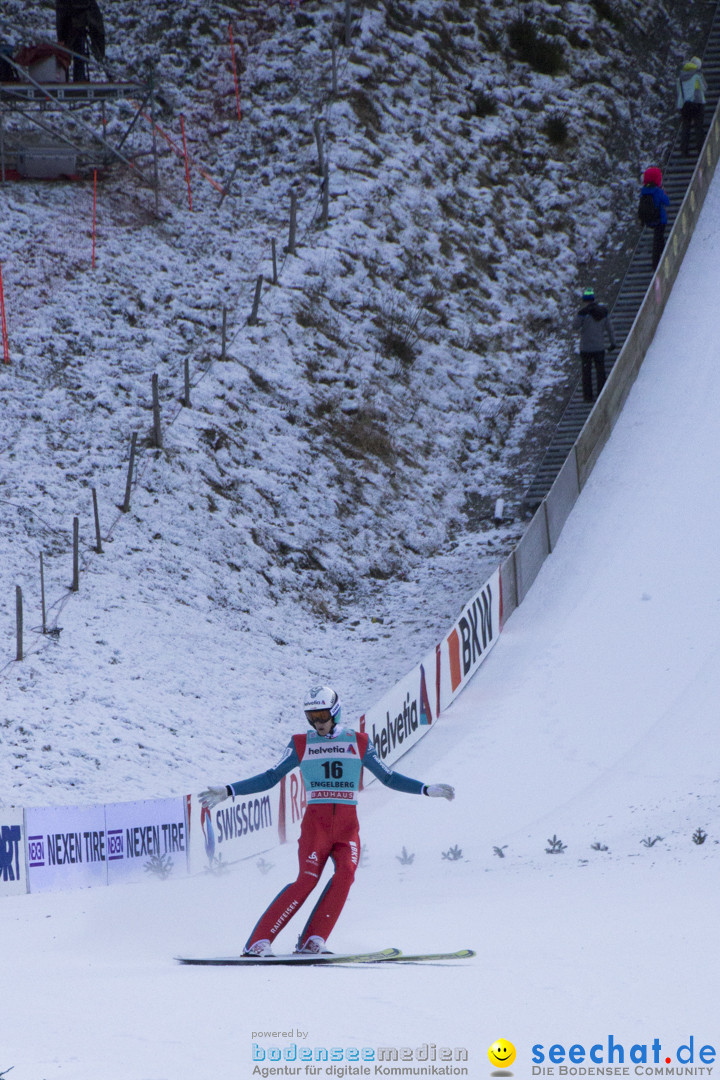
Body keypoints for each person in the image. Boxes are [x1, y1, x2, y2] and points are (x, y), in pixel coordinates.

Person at [199, 685, 455, 957]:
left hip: (347, 828)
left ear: (336, 712)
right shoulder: (301, 743)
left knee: (346, 874)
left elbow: (389, 777)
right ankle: (258, 941)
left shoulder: (359, 742)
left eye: (322, 715)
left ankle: (313, 939)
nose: (318, 723)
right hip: (316, 827)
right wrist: (229, 790)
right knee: (306, 880)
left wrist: (425, 789)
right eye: (312, 717)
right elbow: (270, 777)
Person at [574, 287, 617, 403]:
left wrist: (580, 316)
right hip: (599, 347)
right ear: (594, 299)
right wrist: (613, 343)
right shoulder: (604, 312)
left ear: (585, 300)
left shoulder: (583, 313)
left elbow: (575, 326)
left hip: (586, 348)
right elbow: (610, 329)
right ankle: (601, 395)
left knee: (586, 373)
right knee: (600, 372)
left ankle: (588, 397)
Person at [55, 0, 105, 82]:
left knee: (71, 54)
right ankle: (76, 78)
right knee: (74, 54)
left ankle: (70, 78)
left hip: (71, 29)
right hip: (74, 28)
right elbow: (97, 25)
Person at [639, 166, 670, 270]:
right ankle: (658, 262)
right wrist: (663, 192)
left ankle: (657, 261)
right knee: (659, 239)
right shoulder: (657, 191)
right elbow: (667, 202)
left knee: (658, 239)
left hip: (650, 219)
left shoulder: (644, 191)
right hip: (660, 219)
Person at [676, 56, 707, 156]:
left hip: (684, 105)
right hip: (697, 104)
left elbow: (679, 92)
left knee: (686, 127)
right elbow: (703, 88)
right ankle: (700, 148)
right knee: (698, 126)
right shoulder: (697, 75)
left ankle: (684, 150)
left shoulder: (680, 77)